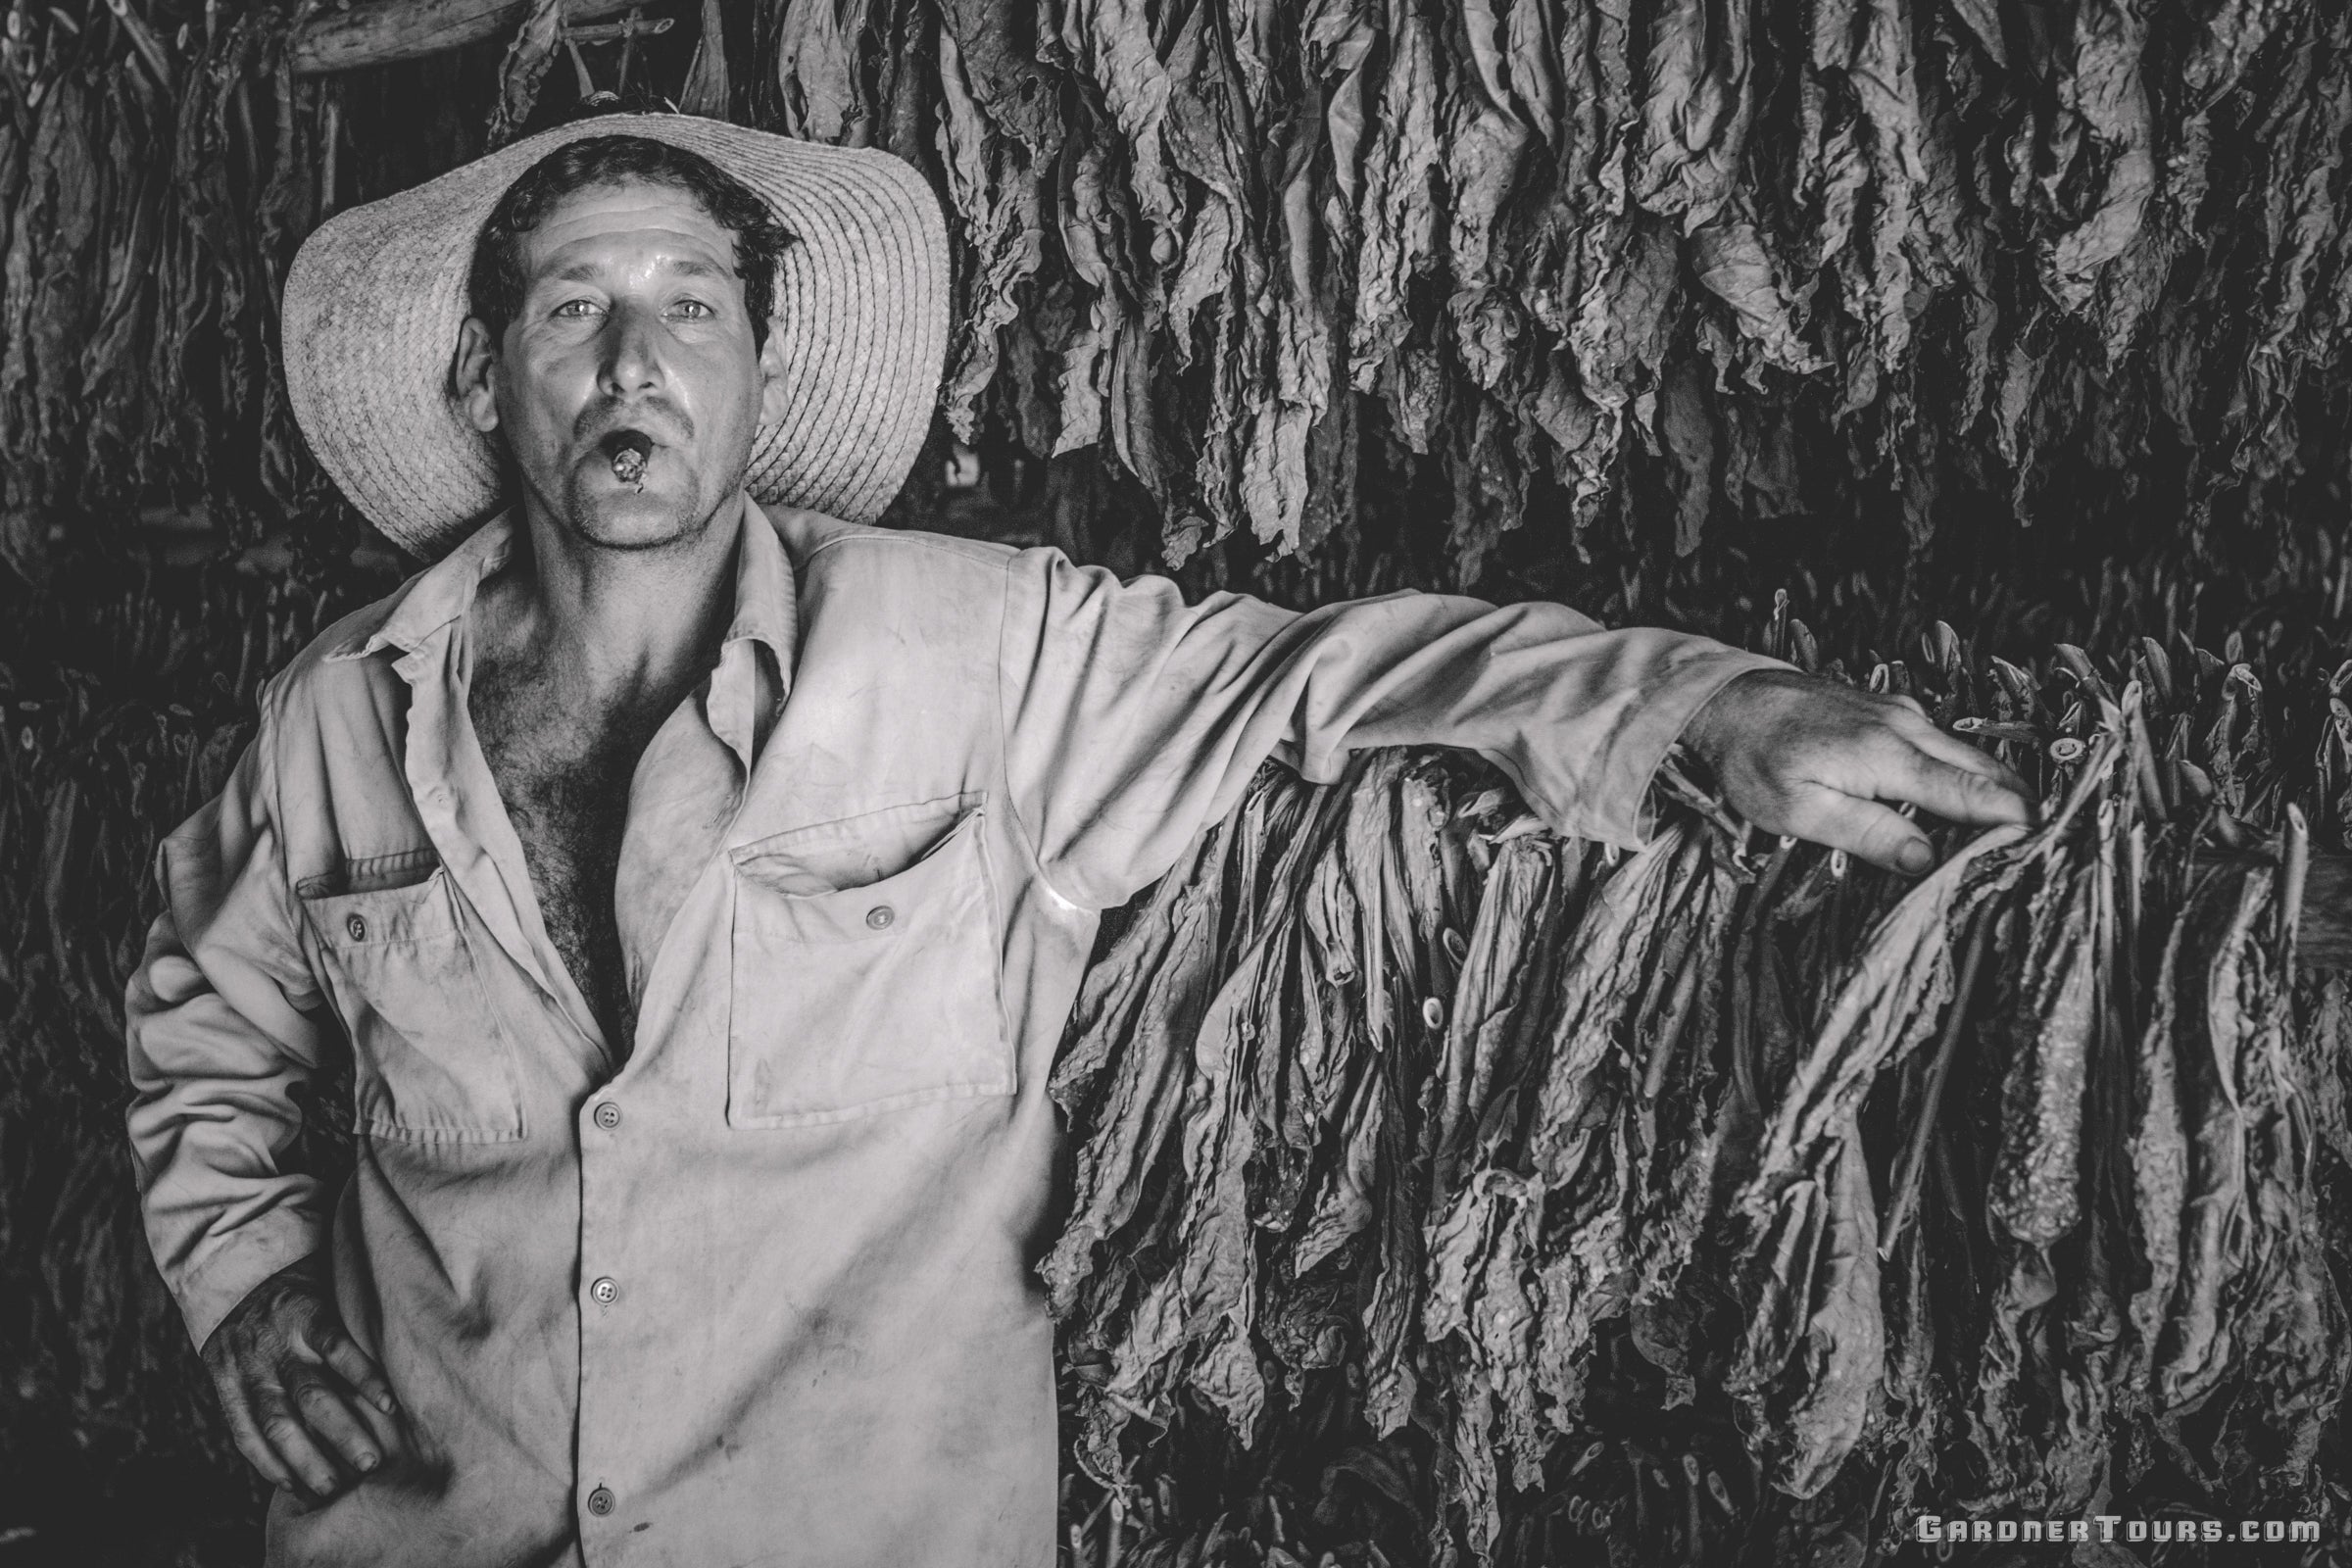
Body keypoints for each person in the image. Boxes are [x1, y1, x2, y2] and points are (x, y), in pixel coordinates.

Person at [123, 116, 2032, 1567]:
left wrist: (1700, 706)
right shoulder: (331, 718)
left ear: (761, 372)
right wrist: (249, 1282)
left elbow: (1326, 671)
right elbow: (212, 1024)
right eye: (574, 311)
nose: (638, 367)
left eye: (689, 307)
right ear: (486, 381)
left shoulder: (979, 652)